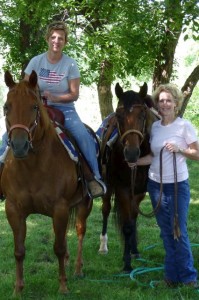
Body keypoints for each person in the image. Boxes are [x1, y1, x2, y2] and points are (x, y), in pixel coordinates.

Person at [0, 21, 106, 199]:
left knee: (82, 136)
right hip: (37, 107)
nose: (57, 41)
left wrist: (56, 97)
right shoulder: (36, 61)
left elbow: (74, 94)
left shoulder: (70, 64)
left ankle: (94, 178)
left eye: (61, 38)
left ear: (65, 42)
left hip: (65, 109)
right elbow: (25, 88)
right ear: (48, 39)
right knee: (7, 136)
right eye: (53, 37)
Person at [136, 83, 199, 287]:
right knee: (165, 232)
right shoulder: (154, 127)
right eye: (161, 100)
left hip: (177, 186)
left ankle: (189, 277)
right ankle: (171, 277)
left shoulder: (184, 126)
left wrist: (180, 149)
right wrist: (135, 162)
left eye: (168, 100)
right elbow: (154, 156)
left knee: (178, 231)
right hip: (156, 186)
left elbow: (197, 154)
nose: (164, 104)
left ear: (176, 103)